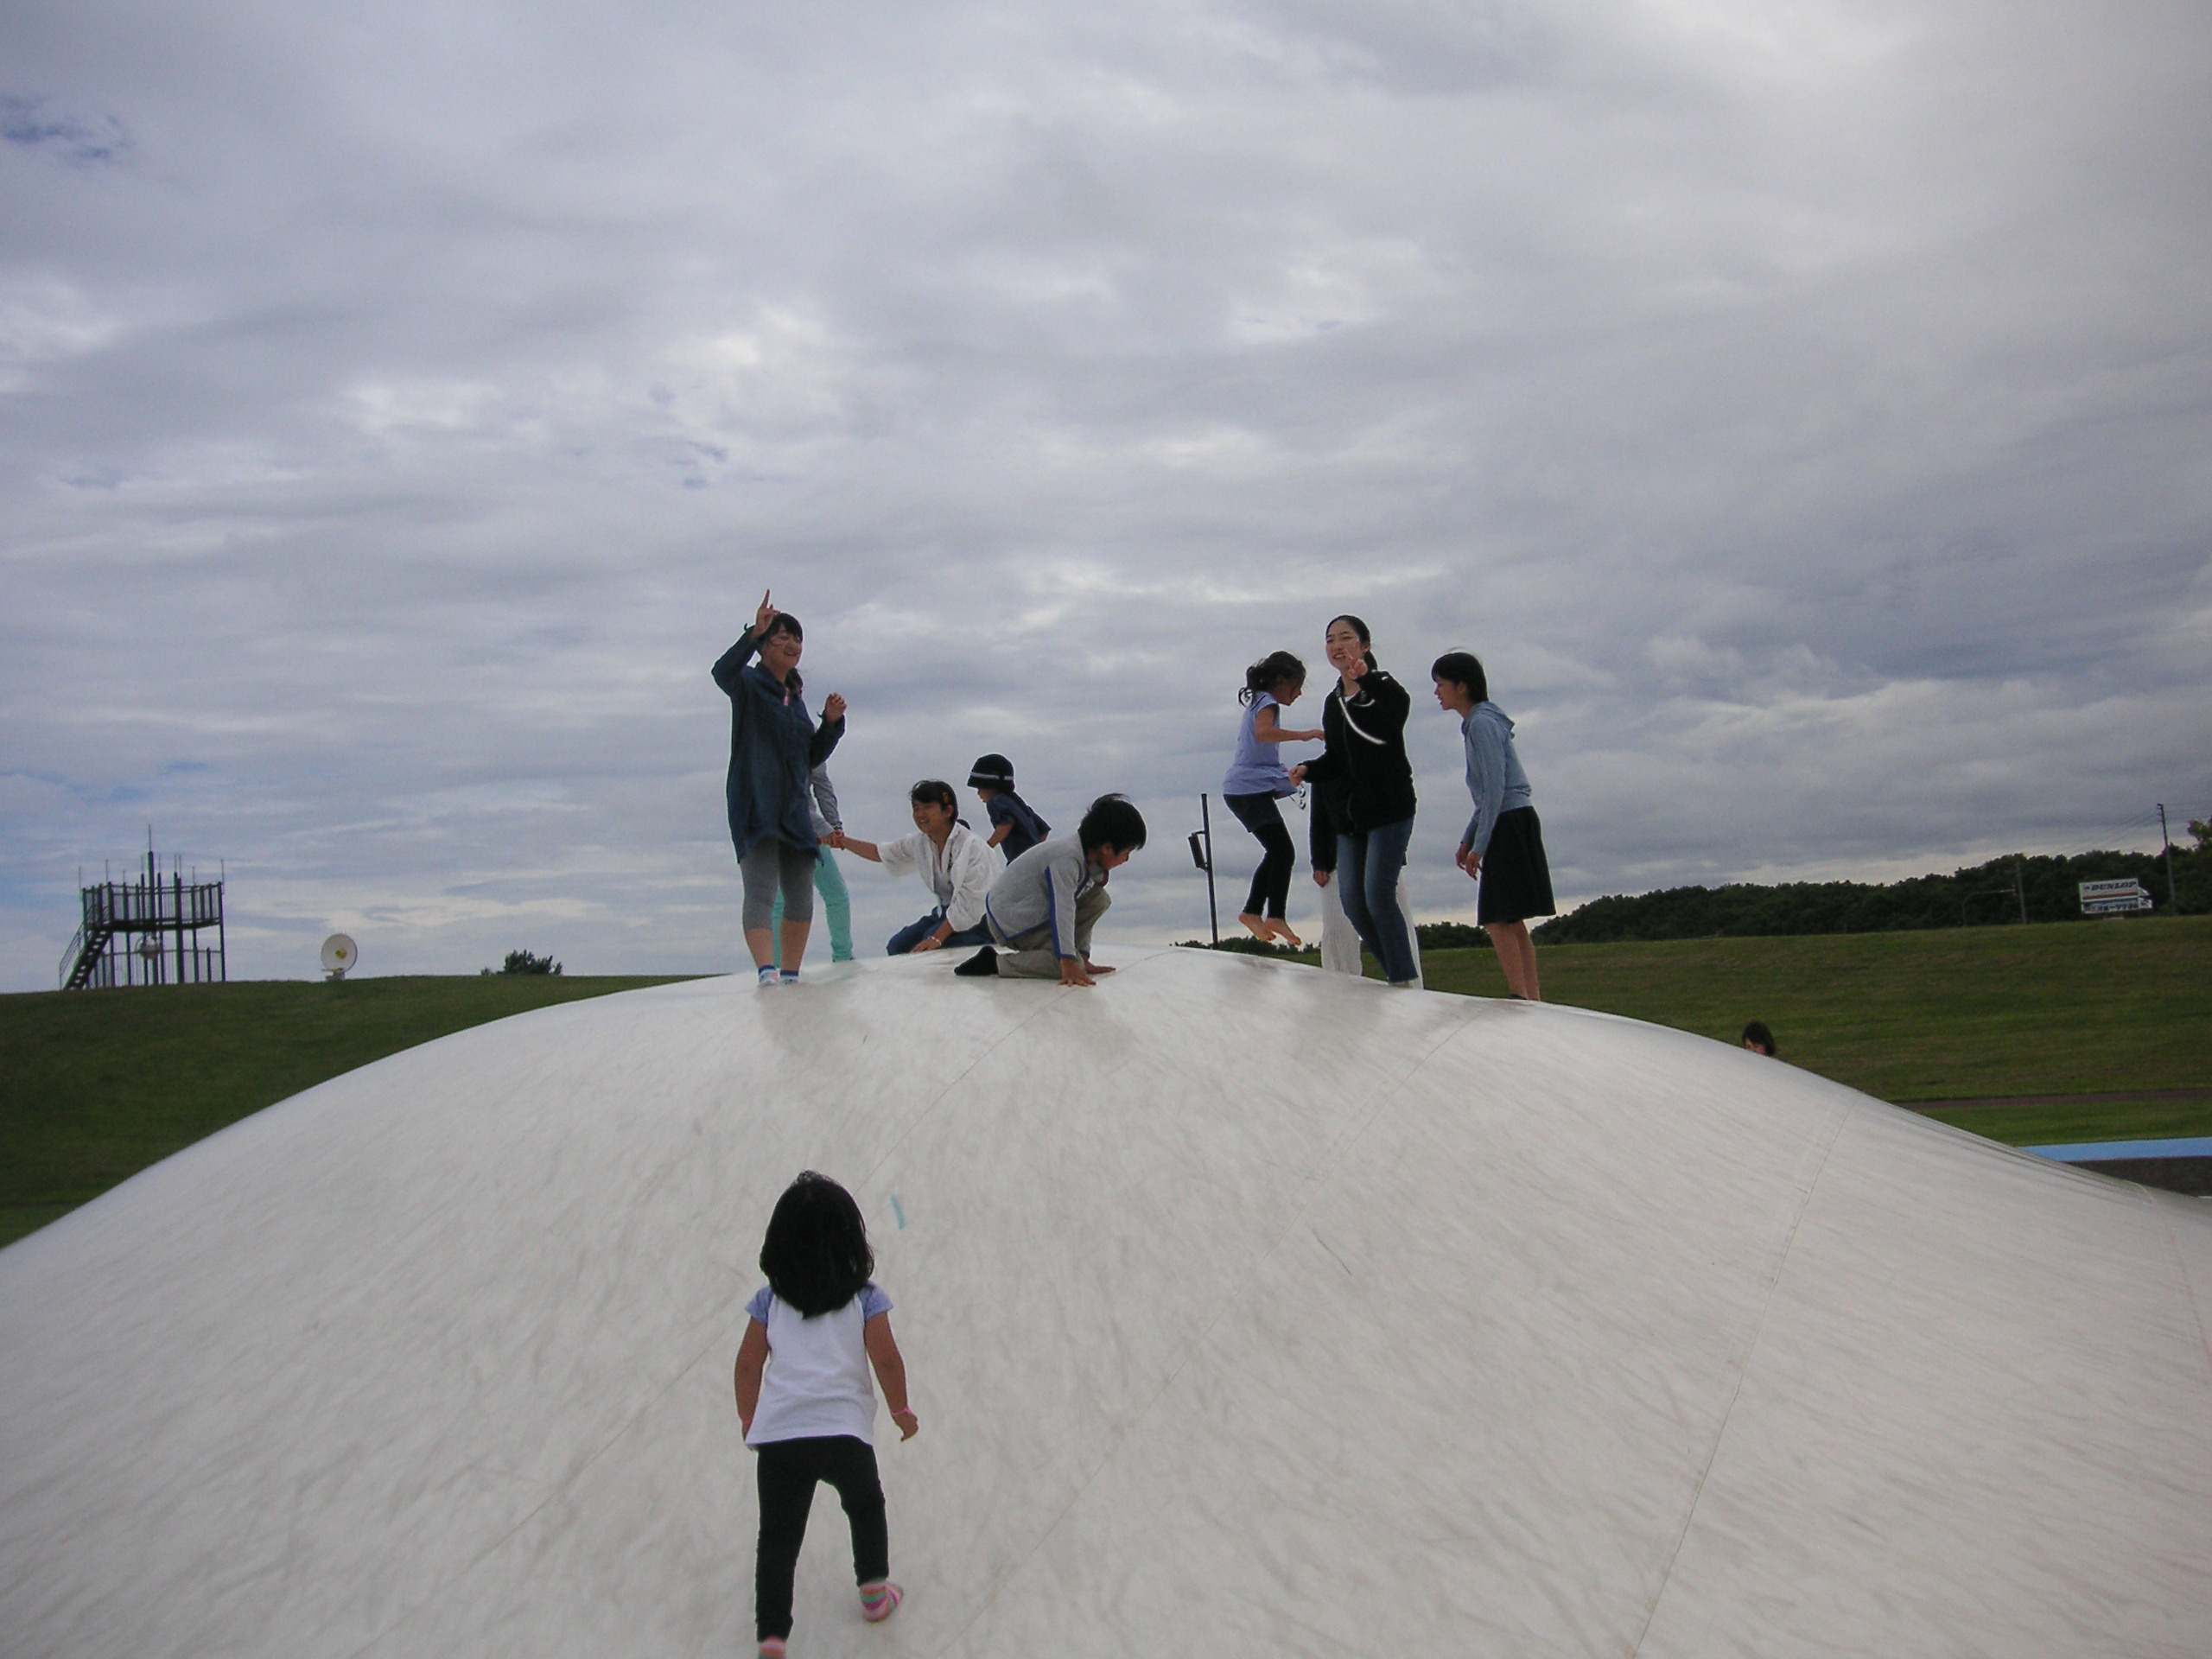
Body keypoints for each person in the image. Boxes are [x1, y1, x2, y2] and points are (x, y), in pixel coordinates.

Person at [734, 1172, 917, 1659]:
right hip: (844, 1436)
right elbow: (888, 1361)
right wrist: (900, 1411)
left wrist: (749, 1418)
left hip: (780, 1441)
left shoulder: (769, 1303)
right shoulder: (865, 1299)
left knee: (777, 1538)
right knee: (864, 1506)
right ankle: (874, 1593)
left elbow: (748, 1364)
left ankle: (772, 1636)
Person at [712, 591, 845, 986]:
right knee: (761, 889)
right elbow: (722, 673)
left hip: (793, 811)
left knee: (801, 896)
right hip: (756, 803)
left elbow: (810, 757)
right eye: (781, 637)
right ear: (763, 647)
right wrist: (753, 634)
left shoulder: (796, 699)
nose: (791, 644)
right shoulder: (749, 684)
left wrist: (832, 724)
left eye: (796, 639)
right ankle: (765, 970)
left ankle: (790, 973)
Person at [1288, 615, 1421, 987]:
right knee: (1353, 903)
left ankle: (1405, 981)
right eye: (1330, 640)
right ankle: (1397, 973)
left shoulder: (1383, 686)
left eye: (1346, 638)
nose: (1337, 645)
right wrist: (1307, 770)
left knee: (1379, 893)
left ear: (1364, 645)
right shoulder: (1333, 701)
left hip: (1389, 810)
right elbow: (1336, 759)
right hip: (1350, 819)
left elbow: (1395, 715)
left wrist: (1364, 679)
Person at [1431, 650, 1555, 1001]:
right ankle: (1529, 997)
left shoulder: (1482, 723)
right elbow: (1487, 792)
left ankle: (1522, 997)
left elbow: (1496, 789)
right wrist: (1468, 839)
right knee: (1509, 917)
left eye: (1440, 684)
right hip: (1509, 818)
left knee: (1498, 918)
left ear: (1461, 686)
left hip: (1508, 821)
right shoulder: (1479, 722)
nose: (1437, 692)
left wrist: (1479, 845)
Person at [954, 793, 1146, 985]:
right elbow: (1063, 908)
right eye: (1126, 853)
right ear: (1106, 848)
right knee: (1064, 963)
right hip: (1009, 920)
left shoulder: (1088, 863)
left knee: (1099, 899)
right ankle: (995, 962)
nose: (1126, 859)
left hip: (1032, 914)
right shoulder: (1067, 859)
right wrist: (1068, 961)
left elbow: (1080, 906)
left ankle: (1074, 957)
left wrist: (1083, 957)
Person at [1223, 651, 1323, 947]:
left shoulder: (1257, 702)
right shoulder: (1266, 703)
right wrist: (1305, 735)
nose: (1300, 692)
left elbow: (1259, 755)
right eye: (1297, 685)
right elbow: (1264, 734)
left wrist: (1287, 778)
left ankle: (1255, 911)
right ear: (1281, 681)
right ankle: (1270, 914)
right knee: (1283, 852)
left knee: (1278, 852)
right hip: (1246, 790)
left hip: (1245, 788)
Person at [831, 780, 998, 956]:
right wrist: (842, 841)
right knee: (898, 946)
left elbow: (971, 905)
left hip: (982, 920)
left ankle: (988, 945)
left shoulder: (973, 847)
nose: (920, 814)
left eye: (927, 807)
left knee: (931, 942)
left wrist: (936, 939)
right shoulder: (920, 843)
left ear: (947, 811)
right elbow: (882, 853)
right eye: (916, 808)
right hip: (945, 914)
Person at [772, 764, 855, 965]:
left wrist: (835, 825)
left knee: (837, 896)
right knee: (781, 902)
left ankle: (843, 957)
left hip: (813, 833)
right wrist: (827, 828)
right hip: (784, 832)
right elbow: (787, 797)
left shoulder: (812, 740)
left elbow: (822, 785)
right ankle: (776, 964)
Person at [967, 753, 1051, 861]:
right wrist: (1035, 851)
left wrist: (986, 847)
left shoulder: (995, 802)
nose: (978, 793)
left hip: (1019, 862)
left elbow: (1006, 824)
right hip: (1037, 859)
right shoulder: (1018, 803)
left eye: (980, 788)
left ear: (990, 786)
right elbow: (1044, 830)